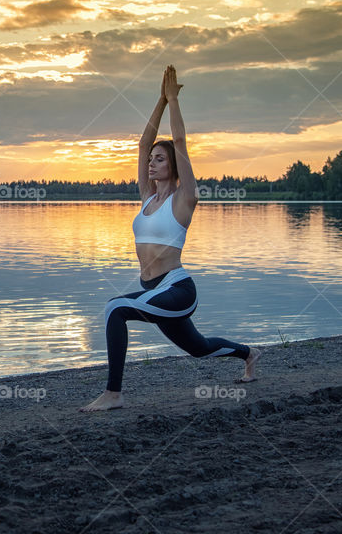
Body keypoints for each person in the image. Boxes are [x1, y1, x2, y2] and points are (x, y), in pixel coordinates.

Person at [80, 65, 261, 412]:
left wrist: (175, 101)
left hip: (177, 290)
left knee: (114, 308)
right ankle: (250, 354)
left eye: (159, 160)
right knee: (199, 347)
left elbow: (178, 142)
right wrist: (160, 101)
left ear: (174, 166)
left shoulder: (184, 198)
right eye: (151, 160)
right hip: (153, 290)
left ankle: (113, 395)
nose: (151, 162)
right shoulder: (148, 197)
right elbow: (143, 142)